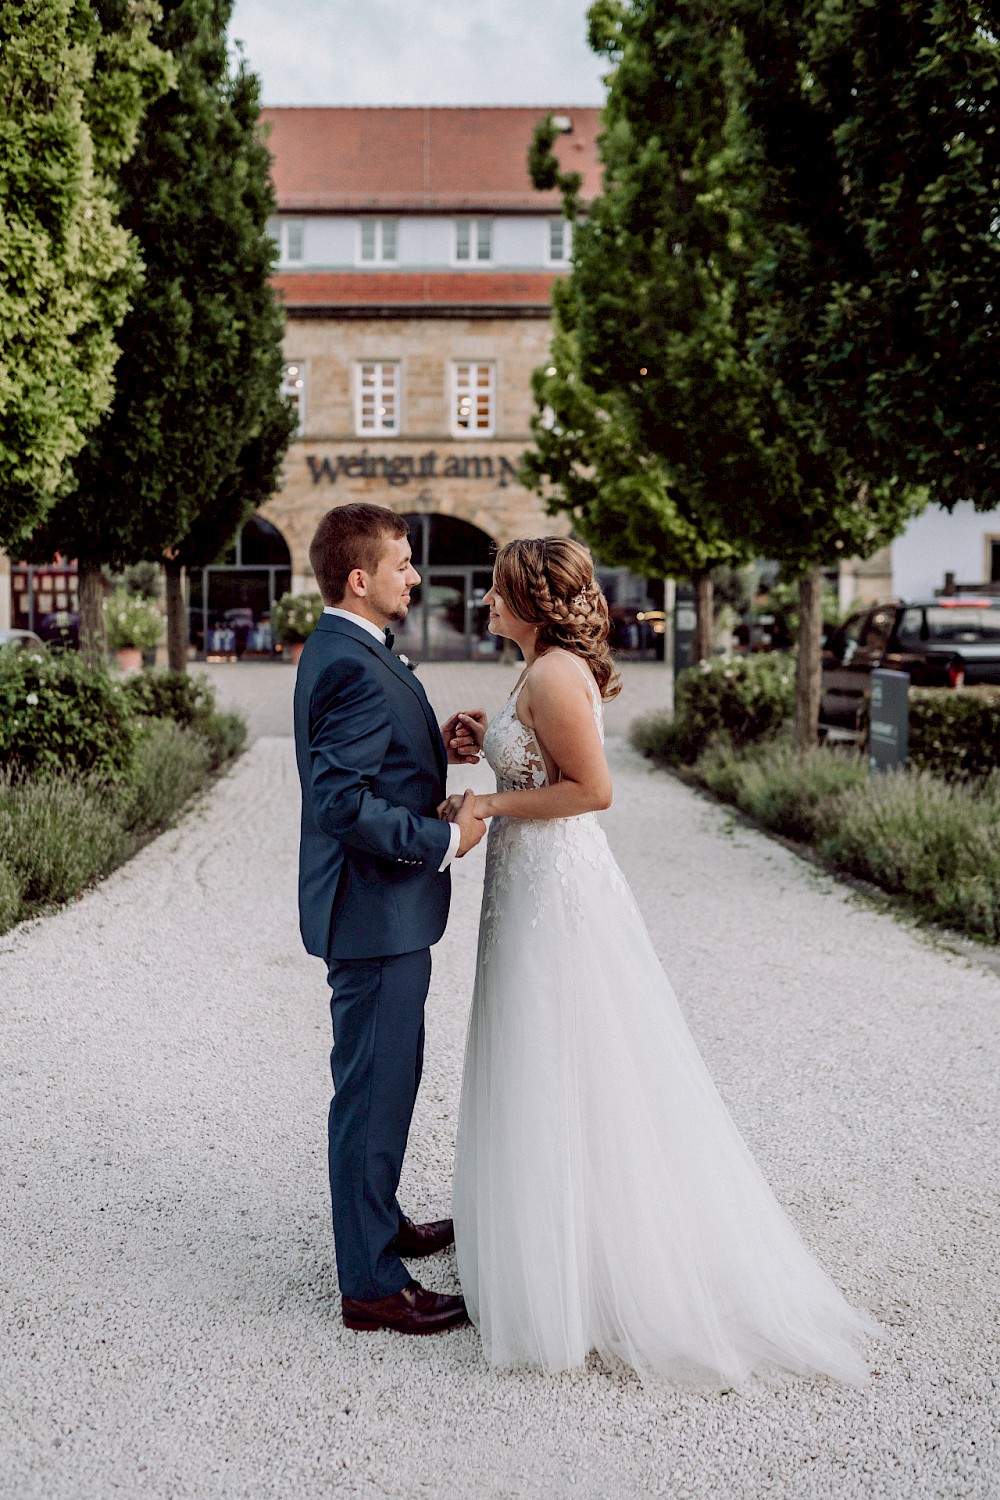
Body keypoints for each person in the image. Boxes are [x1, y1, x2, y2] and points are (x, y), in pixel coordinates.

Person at [440, 537, 879, 1385]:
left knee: (570, 1060)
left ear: (531, 600)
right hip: (524, 890)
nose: (485, 600)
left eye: (496, 589)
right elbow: (538, 751)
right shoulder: (538, 668)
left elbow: (592, 789)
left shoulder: (558, 672)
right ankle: (538, 1249)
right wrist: (485, 738)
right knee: (532, 1057)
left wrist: (489, 797)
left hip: (555, 896)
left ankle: (592, 1277)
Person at [293, 503, 487, 1336]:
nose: (416, 576)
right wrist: (443, 837)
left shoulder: (350, 648)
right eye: (404, 565)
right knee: (371, 1090)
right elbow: (339, 802)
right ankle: (369, 1284)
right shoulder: (348, 662)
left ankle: (381, 1222)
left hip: (386, 914)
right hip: (372, 916)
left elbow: (371, 758)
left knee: (390, 1079)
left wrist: (430, 745)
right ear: (360, 578)